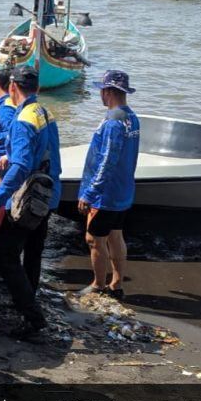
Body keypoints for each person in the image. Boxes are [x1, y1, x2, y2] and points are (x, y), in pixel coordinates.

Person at [0, 66, 62, 340]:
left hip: (28, 197)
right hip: (47, 194)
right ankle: (29, 301)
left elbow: (21, 165)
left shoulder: (23, 118)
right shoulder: (44, 113)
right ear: (36, 88)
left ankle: (33, 318)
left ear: (12, 88)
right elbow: (51, 156)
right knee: (34, 252)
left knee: (5, 254)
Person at [76, 70, 140, 300]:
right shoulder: (131, 117)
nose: (100, 95)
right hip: (123, 190)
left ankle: (98, 284)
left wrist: (91, 192)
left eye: (102, 90)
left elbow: (107, 160)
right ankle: (117, 284)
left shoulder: (113, 121)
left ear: (109, 92)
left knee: (94, 239)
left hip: (107, 194)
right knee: (116, 235)